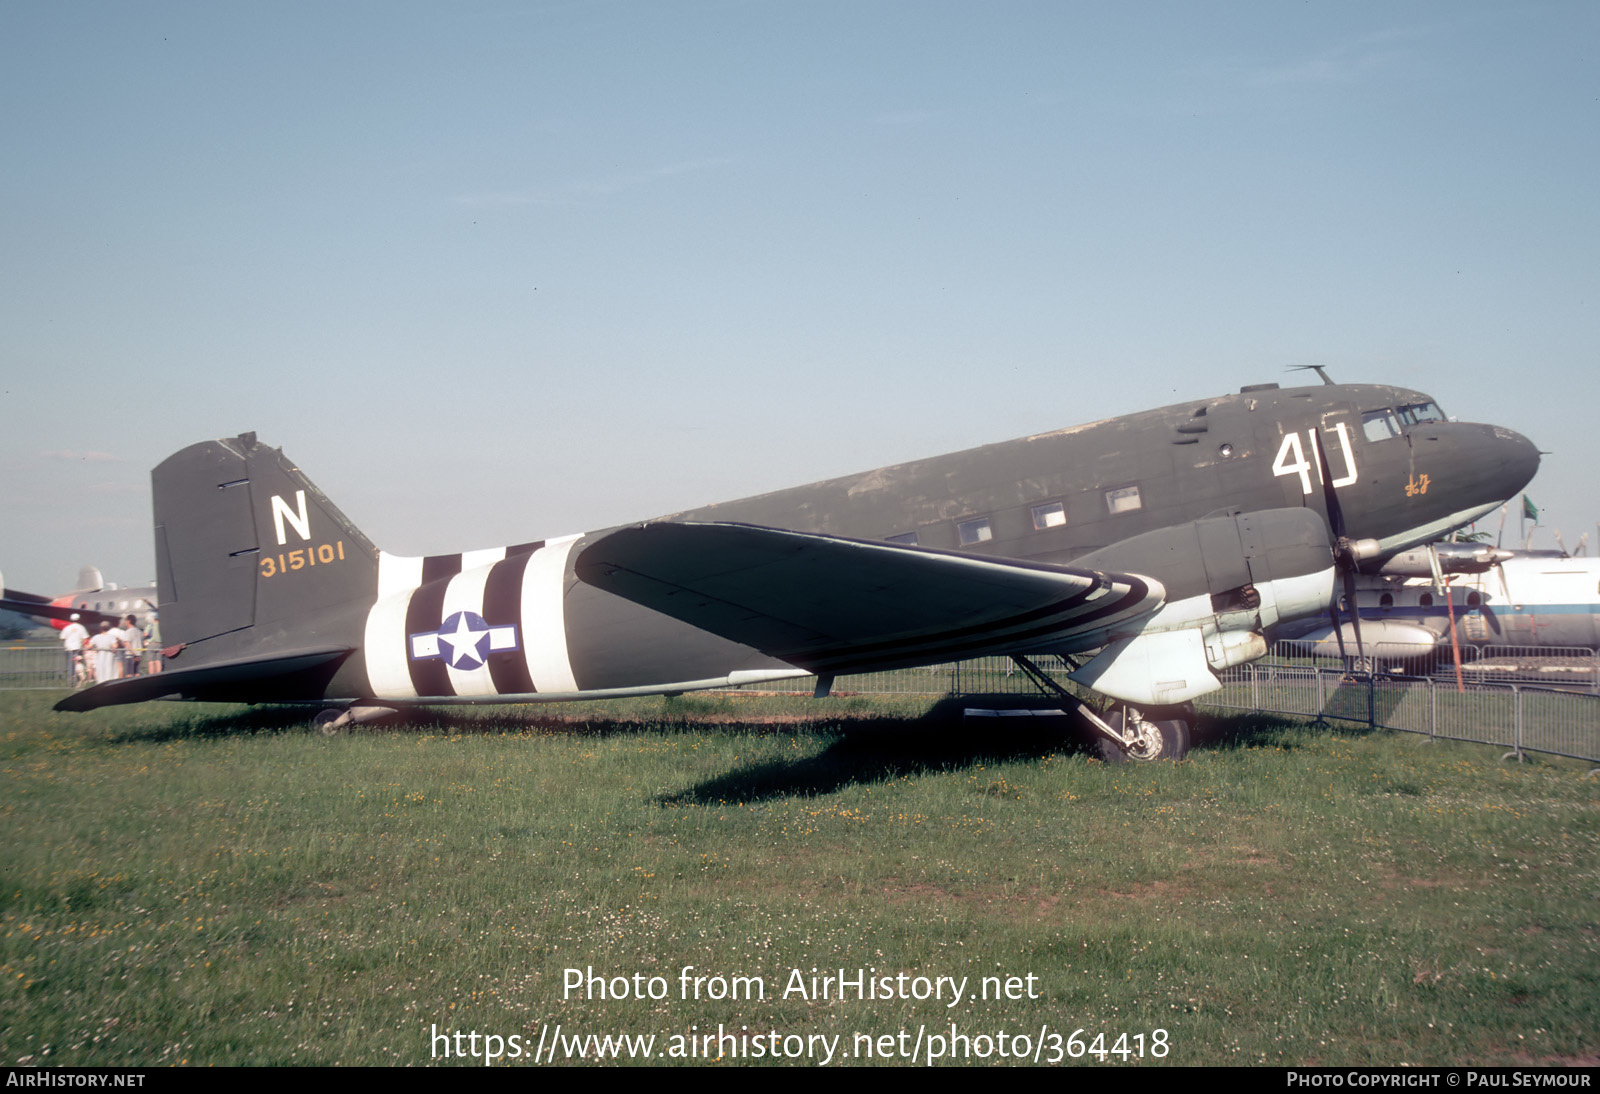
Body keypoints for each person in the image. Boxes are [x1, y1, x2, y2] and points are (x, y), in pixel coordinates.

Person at [60, 613, 89, 685]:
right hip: (78, 648)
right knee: (78, 664)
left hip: (69, 648)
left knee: (70, 664)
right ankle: (78, 679)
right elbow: (85, 639)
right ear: (79, 619)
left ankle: (71, 679)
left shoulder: (67, 628)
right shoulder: (81, 627)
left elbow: (62, 638)